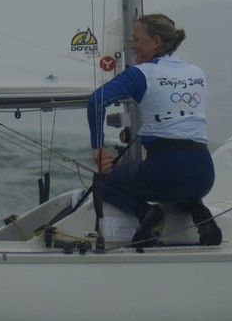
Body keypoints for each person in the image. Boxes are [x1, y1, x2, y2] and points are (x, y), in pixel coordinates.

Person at [87, 14, 222, 247]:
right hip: (204, 176)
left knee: (104, 181)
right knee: (177, 187)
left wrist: (98, 149)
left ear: (156, 42)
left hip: (166, 173)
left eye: (136, 38)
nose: (130, 44)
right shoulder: (197, 72)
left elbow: (97, 101)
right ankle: (199, 213)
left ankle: (146, 214)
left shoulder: (142, 73)